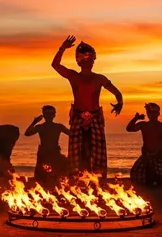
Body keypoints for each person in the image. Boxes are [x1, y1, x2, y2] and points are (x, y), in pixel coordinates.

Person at [52, 36, 123, 179]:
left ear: (93, 60)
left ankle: (98, 179)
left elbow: (117, 92)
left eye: (89, 58)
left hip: (95, 116)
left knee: (98, 152)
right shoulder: (73, 76)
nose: (87, 61)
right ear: (78, 61)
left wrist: (120, 102)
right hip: (78, 116)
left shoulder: (100, 78)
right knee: (76, 151)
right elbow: (55, 65)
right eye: (83, 58)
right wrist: (62, 48)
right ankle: (75, 179)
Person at [127, 103, 162, 187]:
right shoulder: (143, 125)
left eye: (153, 112)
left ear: (158, 114)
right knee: (135, 175)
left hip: (159, 156)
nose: (151, 114)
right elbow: (129, 129)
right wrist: (135, 118)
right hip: (146, 156)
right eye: (149, 112)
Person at [25, 105, 70, 185]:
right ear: (44, 115)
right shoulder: (40, 127)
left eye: (51, 113)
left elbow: (72, 134)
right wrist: (34, 122)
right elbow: (27, 133)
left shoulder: (58, 126)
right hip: (43, 154)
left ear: (54, 115)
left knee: (58, 174)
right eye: (47, 114)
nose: (49, 116)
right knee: (41, 175)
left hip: (54, 153)